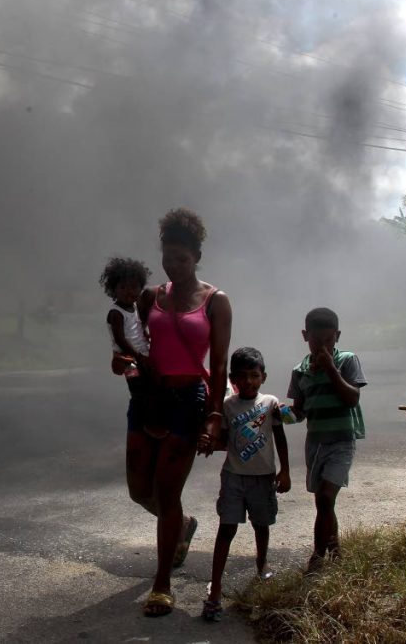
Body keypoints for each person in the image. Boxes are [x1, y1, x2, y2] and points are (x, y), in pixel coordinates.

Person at [126, 208, 232, 617]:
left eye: (182, 259)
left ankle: (161, 583)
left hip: (188, 401)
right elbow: (136, 342)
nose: (174, 265)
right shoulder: (151, 296)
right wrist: (126, 364)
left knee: (167, 492)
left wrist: (214, 414)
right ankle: (182, 525)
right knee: (140, 490)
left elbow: (219, 365)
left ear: (197, 256)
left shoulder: (215, 301)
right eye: (168, 258)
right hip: (149, 399)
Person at [199, 347, 290, 622]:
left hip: (263, 478)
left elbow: (281, 436)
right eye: (242, 376)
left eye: (254, 375)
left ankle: (262, 566)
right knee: (226, 529)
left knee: (261, 526)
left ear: (263, 376)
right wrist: (206, 442)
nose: (249, 381)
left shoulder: (270, 402)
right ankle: (215, 588)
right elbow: (225, 441)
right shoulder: (227, 405)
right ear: (233, 378)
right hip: (234, 478)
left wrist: (285, 471)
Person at [287, 307, 366, 572]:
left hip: (342, 441)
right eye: (315, 341)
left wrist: (330, 368)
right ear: (304, 336)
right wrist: (279, 414)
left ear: (338, 336)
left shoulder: (347, 360)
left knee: (325, 498)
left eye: (328, 341)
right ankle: (335, 549)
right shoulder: (300, 371)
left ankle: (318, 558)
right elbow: (299, 410)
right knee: (323, 501)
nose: (322, 347)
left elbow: (352, 398)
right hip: (316, 442)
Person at [100, 256, 151, 377]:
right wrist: (138, 357)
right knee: (137, 386)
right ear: (114, 290)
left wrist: (146, 334)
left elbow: (137, 327)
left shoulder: (134, 306)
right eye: (123, 287)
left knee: (150, 386)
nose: (128, 291)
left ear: (140, 288)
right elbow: (120, 340)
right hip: (128, 359)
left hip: (141, 353)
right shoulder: (116, 313)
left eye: (133, 287)